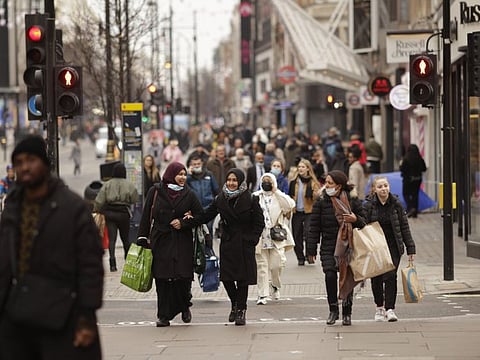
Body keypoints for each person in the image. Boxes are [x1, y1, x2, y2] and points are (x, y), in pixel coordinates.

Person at [0, 135, 104, 359]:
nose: (25, 167)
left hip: (63, 313)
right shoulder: (13, 207)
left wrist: (86, 316)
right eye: (19, 162)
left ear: (44, 164)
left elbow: (90, 265)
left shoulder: (72, 207)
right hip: (18, 313)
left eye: (31, 160)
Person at [136, 162, 204, 327]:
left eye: (184, 174)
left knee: (183, 278)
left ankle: (184, 305)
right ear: (170, 174)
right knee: (162, 278)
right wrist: (142, 238)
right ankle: (163, 315)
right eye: (179, 174)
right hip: (161, 241)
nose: (182, 177)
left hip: (182, 241)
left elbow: (200, 215)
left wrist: (184, 222)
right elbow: (146, 216)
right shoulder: (156, 191)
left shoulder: (189, 194)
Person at [201, 168, 264, 326]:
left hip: (244, 243)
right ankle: (235, 303)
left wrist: (252, 239)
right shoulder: (220, 199)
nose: (231, 183)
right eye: (229, 180)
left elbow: (259, 223)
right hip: (228, 242)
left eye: (234, 180)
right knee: (227, 278)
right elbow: (205, 215)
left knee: (242, 280)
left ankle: (241, 311)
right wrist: (188, 218)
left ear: (241, 182)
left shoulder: (250, 199)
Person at [306, 170, 366, 326]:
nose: (326, 185)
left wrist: (355, 219)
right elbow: (314, 228)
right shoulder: (321, 202)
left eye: (330, 183)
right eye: (326, 182)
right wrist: (311, 250)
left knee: (347, 278)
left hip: (349, 246)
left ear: (339, 185)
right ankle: (333, 310)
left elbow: (365, 222)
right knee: (330, 276)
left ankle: (347, 312)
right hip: (329, 246)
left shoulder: (352, 200)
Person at [364, 176, 416, 322]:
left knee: (391, 275)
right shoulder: (368, 205)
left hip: (393, 245)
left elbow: (404, 227)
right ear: (374, 189)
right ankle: (379, 308)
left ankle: (390, 309)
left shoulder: (396, 204)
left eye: (386, 186)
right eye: (380, 187)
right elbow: (362, 225)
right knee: (377, 277)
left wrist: (410, 248)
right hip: (376, 246)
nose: (384, 189)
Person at [253, 173, 295, 305]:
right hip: (261, 236)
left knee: (276, 265)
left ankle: (275, 285)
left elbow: (289, 205)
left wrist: (276, 191)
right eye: (264, 181)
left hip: (276, 235)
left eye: (269, 181)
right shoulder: (256, 196)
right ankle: (262, 294)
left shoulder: (279, 197)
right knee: (262, 266)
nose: (266, 183)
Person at [94, 163, 139, 271]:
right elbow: (134, 199)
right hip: (123, 213)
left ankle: (112, 263)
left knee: (112, 239)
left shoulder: (107, 184)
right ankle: (127, 262)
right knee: (125, 239)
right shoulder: (129, 184)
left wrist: (97, 209)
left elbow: (100, 200)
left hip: (110, 213)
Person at [288, 158, 321, 266]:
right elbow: (290, 196)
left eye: (303, 167)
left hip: (309, 211)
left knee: (308, 233)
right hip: (297, 211)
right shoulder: (294, 182)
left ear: (308, 168)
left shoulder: (313, 182)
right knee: (296, 235)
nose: (300, 169)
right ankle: (300, 257)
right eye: (299, 167)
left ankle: (309, 254)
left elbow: (317, 197)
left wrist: (316, 194)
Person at [399, 144, 427, 218]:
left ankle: (410, 208)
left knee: (406, 194)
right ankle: (415, 210)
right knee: (415, 195)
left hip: (408, 179)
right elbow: (424, 168)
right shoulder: (420, 159)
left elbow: (402, 169)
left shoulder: (406, 159)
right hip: (417, 179)